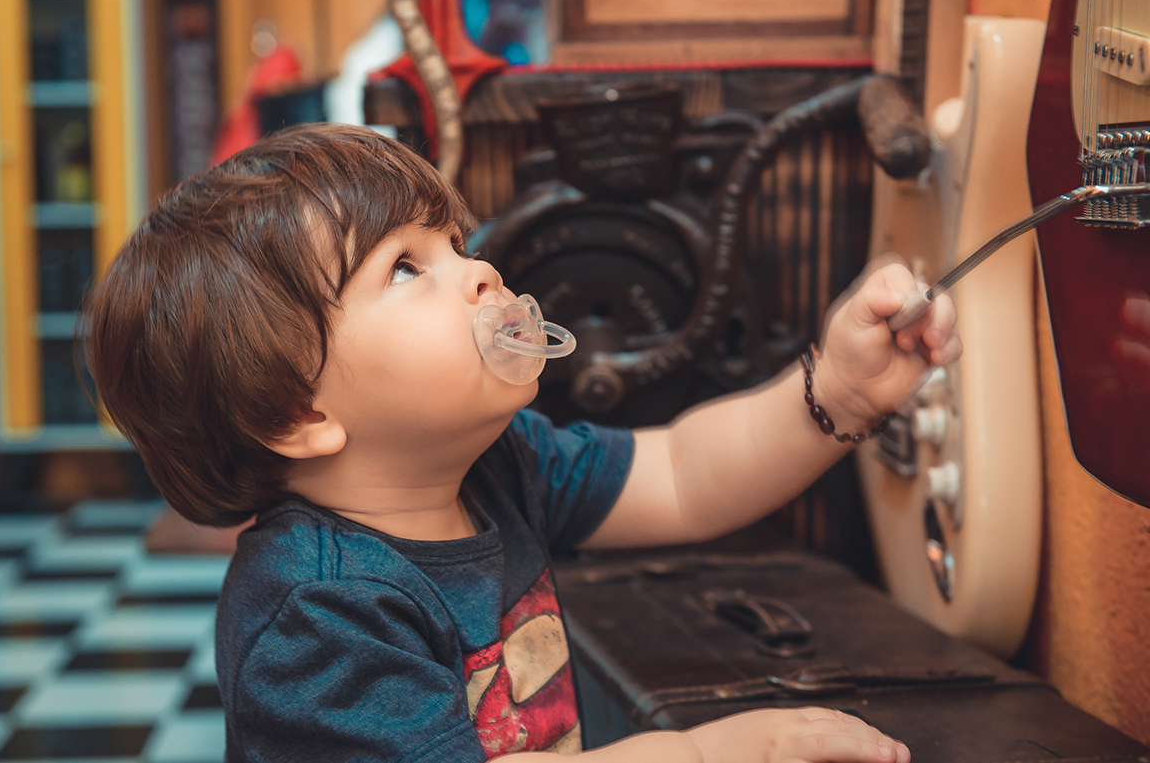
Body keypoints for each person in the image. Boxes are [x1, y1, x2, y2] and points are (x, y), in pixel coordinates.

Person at [81, 123, 959, 763]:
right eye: (407, 268)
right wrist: (723, 752)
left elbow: (685, 475)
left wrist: (836, 389)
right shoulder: (315, 611)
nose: (482, 271)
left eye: (454, 243)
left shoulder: (500, 465)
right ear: (297, 416)